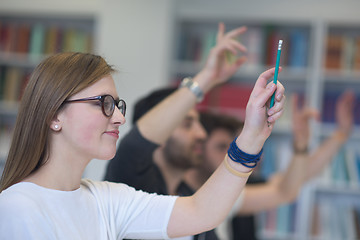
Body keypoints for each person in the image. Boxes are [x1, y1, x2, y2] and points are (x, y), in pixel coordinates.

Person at [0, 29, 285, 240]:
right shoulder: (19, 207)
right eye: (104, 104)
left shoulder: (105, 199)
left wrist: (252, 136)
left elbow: (201, 212)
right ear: (53, 116)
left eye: (117, 105)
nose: (120, 117)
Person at [104, 22, 285, 240]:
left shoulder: (190, 197)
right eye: (187, 124)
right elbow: (135, 144)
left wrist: (255, 134)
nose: (201, 134)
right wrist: (207, 76)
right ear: (160, 133)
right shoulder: (129, 182)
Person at [183, 90, 355, 240]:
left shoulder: (231, 191)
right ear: (198, 148)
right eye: (221, 147)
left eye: (231, 147)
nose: (229, 156)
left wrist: (336, 136)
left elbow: (288, 186)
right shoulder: (175, 199)